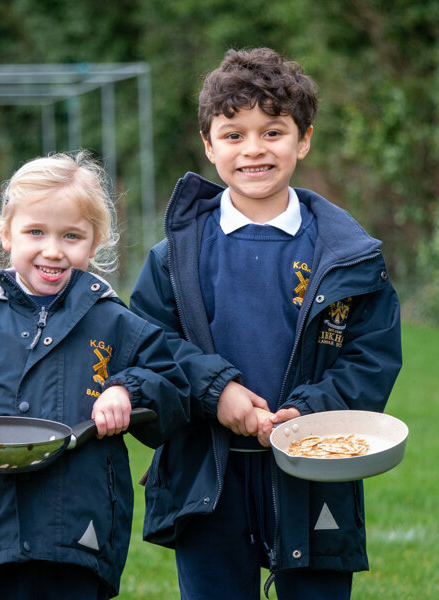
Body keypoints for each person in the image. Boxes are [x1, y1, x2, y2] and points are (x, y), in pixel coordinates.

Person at [129, 48, 403, 599]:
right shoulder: (172, 258)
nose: (253, 149)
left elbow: (370, 358)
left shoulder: (349, 256)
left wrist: (307, 413)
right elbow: (147, 346)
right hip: (208, 477)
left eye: (272, 131)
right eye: (233, 135)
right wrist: (216, 391)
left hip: (315, 478)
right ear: (208, 145)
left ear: (303, 140)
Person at [0, 152, 190, 600]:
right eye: (35, 231)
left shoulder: (118, 324)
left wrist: (127, 390)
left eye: (71, 235)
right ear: (6, 234)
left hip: (81, 533)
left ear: (95, 243)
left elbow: (171, 386)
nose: (53, 250)